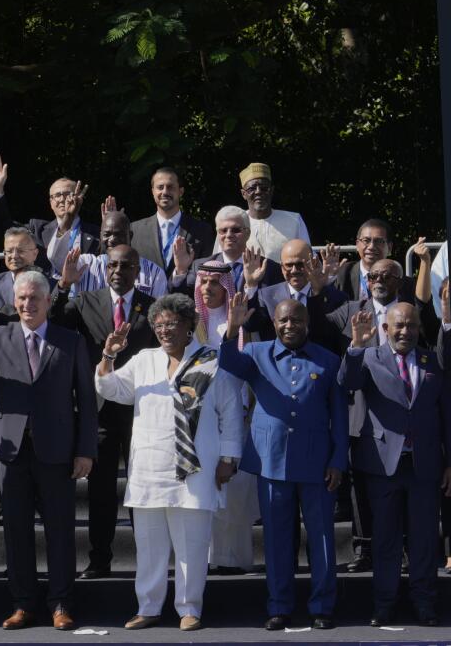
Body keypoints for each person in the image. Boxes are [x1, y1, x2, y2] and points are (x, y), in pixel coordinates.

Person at [0, 271, 98, 631]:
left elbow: (87, 401)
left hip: (57, 449)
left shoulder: (71, 341)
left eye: (35, 298)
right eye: (22, 299)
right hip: (10, 449)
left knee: (60, 530)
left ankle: (61, 603)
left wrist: (85, 450)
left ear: (49, 301)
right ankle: (23, 604)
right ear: (13, 302)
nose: (28, 304)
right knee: (16, 530)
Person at [95, 293, 245, 631]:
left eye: (172, 324)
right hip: (150, 468)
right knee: (149, 548)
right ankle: (148, 607)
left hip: (195, 468)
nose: (165, 331)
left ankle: (189, 608)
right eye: (159, 325)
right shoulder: (144, 359)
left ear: (189, 325)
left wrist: (229, 459)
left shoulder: (212, 360)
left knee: (192, 546)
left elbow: (232, 413)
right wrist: (109, 355)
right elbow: (110, 389)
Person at [222, 295, 347, 630]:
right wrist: (233, 327)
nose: (289, 326)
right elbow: (228, 363)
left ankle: (322, 605)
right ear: (274, 323)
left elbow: (339, 416)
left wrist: (338, 459)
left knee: (321, 538)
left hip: (317, 463)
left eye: (296, 320)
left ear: (307, 323)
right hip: (272, 461)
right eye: (283, 321)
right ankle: (279, 605)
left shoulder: (329, 361)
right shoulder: (256, 352)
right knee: (277, 539)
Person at [339, 302, 451, 627]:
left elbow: (446, 414)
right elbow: (346, 383)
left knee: (425, 539)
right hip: (382, 466)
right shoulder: (369, 357)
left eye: (412, 325)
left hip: (425, 466)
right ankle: (384, 604)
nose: (405, 331)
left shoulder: (432, 360)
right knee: (386, 539)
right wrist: (356, 347)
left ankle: (425, 602)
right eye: (398, 326)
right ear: (385, 329)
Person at [51, 245, 157, 579]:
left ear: (137, 269)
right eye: (113, 265)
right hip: (98, 411)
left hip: (140, 411)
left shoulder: (151, 307)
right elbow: (52, 322)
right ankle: (100, 559)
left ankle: (149, 561)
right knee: (100, 491)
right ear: (105, 268)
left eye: (126, 265)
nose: (118, 271)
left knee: (143, 488)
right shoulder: (86, 302)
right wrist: (62, 286)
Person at [192, 263, 258, 576]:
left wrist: (233, 328)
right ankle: (205, 559)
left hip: (238, 414)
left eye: (215, 283)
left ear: (226, 287)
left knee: (234, 490)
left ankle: (233, 560)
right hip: (201, 417)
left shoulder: (243, 325)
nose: (208, 288)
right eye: (203, 282)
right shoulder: (192, 325)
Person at [0, 153, 100, 279]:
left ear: (79, 198)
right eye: (56, 195)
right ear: (51, 203)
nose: (61, 199)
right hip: (45, 294)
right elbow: (4, 228)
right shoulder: (37, 229)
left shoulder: (96, 233)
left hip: (84, 294)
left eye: (67, 194)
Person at [241, 239, 347, 353]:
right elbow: (251, 326)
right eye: (289, 265)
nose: (294, 270)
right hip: (278, 366)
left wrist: (318, 291)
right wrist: (251, 285)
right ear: (282, 267)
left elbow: (330, 331)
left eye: (300, 264)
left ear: (313, 263)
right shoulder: (267, 296)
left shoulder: (336, 297)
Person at [171, 206, 283, 295]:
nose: (229, 235)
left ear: (248, 233)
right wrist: (181, 270)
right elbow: (183, 302)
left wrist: (252, 286)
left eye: (235, 230)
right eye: (223, 230)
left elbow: (270, 312)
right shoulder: (201, 266)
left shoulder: (268, 269)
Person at [72, 211, 168, 298]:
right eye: (107, 234)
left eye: (119, 234)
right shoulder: (85, 265)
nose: (112, 239)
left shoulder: (154, 273)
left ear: (130, 236)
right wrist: (64, 283)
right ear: (100, 236)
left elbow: (161, 312)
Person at [229, 163, 310, 263]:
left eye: (264, 188)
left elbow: (308, 258)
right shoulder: (232, 223)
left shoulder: (294, 220)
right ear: (243, 194)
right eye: (252, 189)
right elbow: (220, 263)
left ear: (271, 191)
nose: (258, 192)